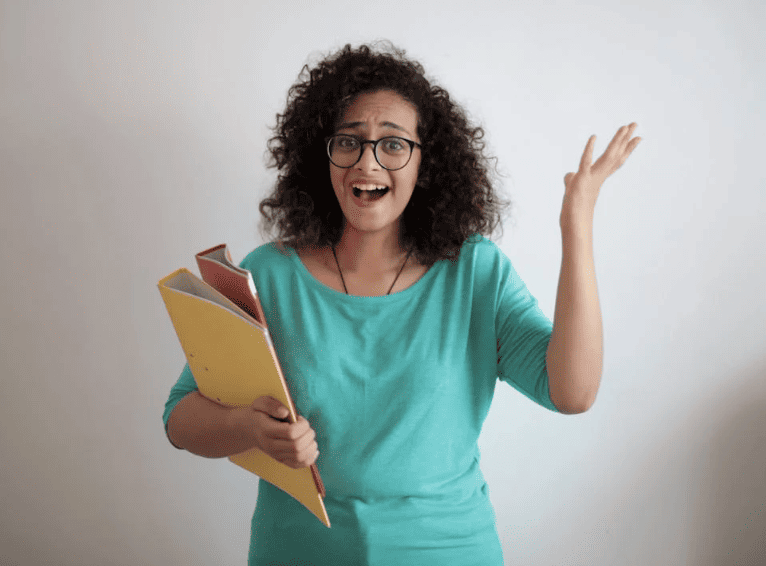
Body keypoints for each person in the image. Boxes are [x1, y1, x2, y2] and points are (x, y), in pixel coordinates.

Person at [163, 42, 641, 565]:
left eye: (393, 144)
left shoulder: (475, 272)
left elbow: (571, 392)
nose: (368, 162)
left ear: (425, 162)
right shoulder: (269, 274)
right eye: (349, 142)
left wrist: (577, 225)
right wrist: (247, 430)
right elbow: (180, 419)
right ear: (320, 155)